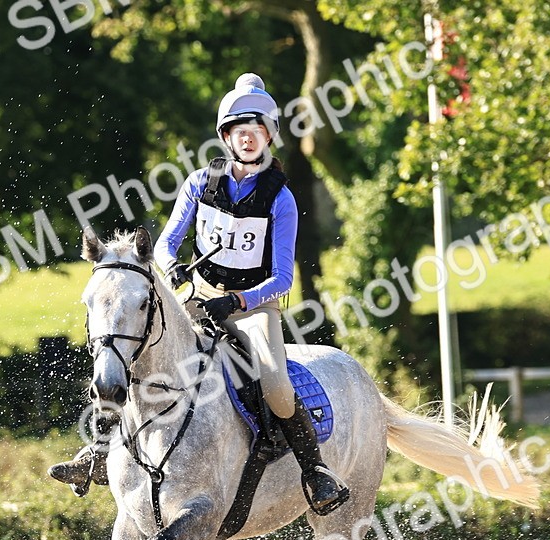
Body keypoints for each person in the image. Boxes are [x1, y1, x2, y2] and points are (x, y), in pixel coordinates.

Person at [50, 73, 349, 515]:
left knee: (276, 383)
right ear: (226, 136)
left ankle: (314, 471)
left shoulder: (280, 199)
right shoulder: (199, 183)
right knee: (139, 354)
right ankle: (100, 449)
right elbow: (168, 241)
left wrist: (238, 301)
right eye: (239, 130)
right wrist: (172, 271)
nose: (248, 137)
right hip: (196, 296)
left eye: (257, 130)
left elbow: (284, 278)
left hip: (253, 306)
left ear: (269, 137)